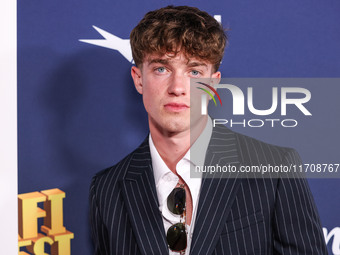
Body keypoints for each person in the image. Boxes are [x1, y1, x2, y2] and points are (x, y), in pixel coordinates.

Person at [89, 5, 328, 255]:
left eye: (194, 71)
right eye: (162, 69)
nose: (178, 87)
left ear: (213, 84)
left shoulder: (274, 169)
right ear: (139, 79)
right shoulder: (107, 188)